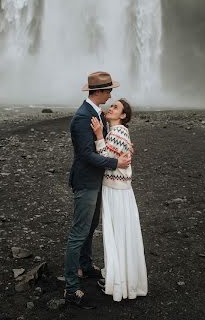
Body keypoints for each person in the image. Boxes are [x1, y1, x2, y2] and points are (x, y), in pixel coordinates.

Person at [64, 71, 131, 309]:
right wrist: (116, 163)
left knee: (90, 227)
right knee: (79, 232)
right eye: (109, 91)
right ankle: (71, 287)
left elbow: (109, 140)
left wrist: (122, 145)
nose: (111, 94)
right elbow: (86, 154)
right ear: (100, 92)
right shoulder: (82, 117)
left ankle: (86, 266)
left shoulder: (95, 113)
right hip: (86, 181)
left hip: (97, 181)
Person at [90, 98, 148, 302]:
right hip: (119, 188)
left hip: (116, 190)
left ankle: (118, 282)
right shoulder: (117, 133)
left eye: (115, 107)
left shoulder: (118, 132)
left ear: (123, 116)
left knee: (116, 235)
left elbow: (108, 159)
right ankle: (124, 280)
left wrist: (98, 135)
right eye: (111, 105)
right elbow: (117, 157)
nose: (110, 108)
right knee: (123, 234)